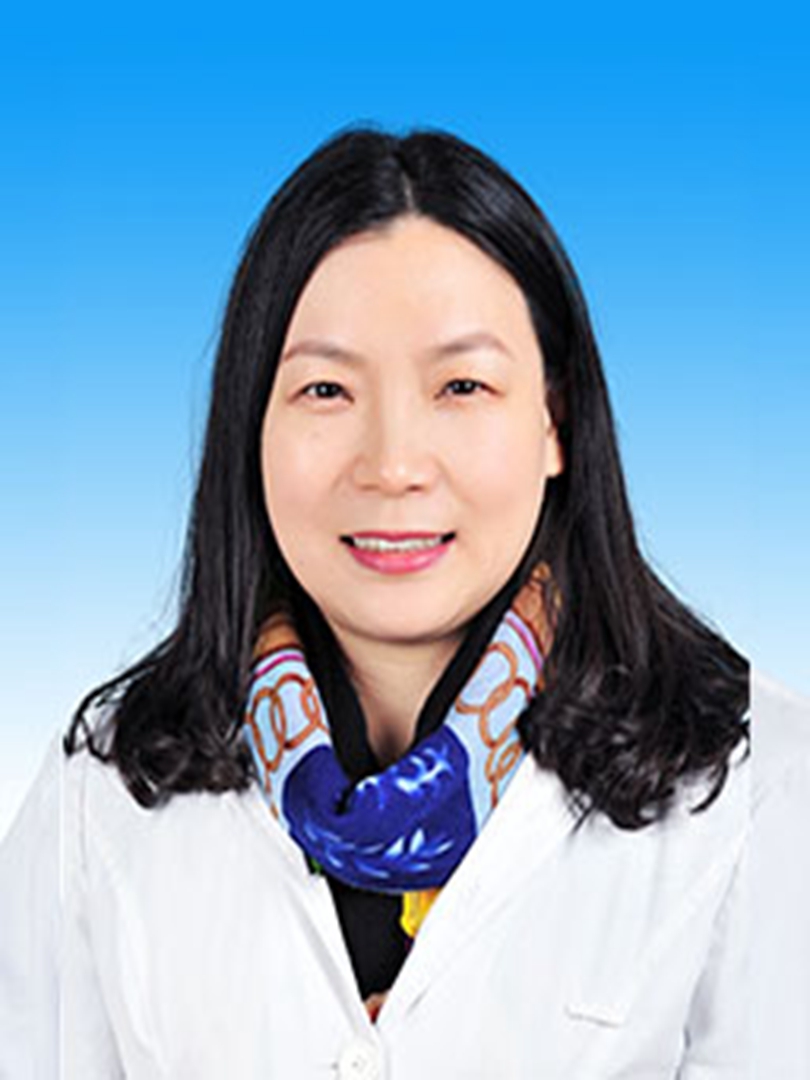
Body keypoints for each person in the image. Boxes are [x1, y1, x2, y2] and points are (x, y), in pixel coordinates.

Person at [1, 125, 808, 1078]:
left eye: (461, 385)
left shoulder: (757, 786)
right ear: (250, 425)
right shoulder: (103, 796)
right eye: (326, 390)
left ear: (556, 423)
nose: (392, 466)